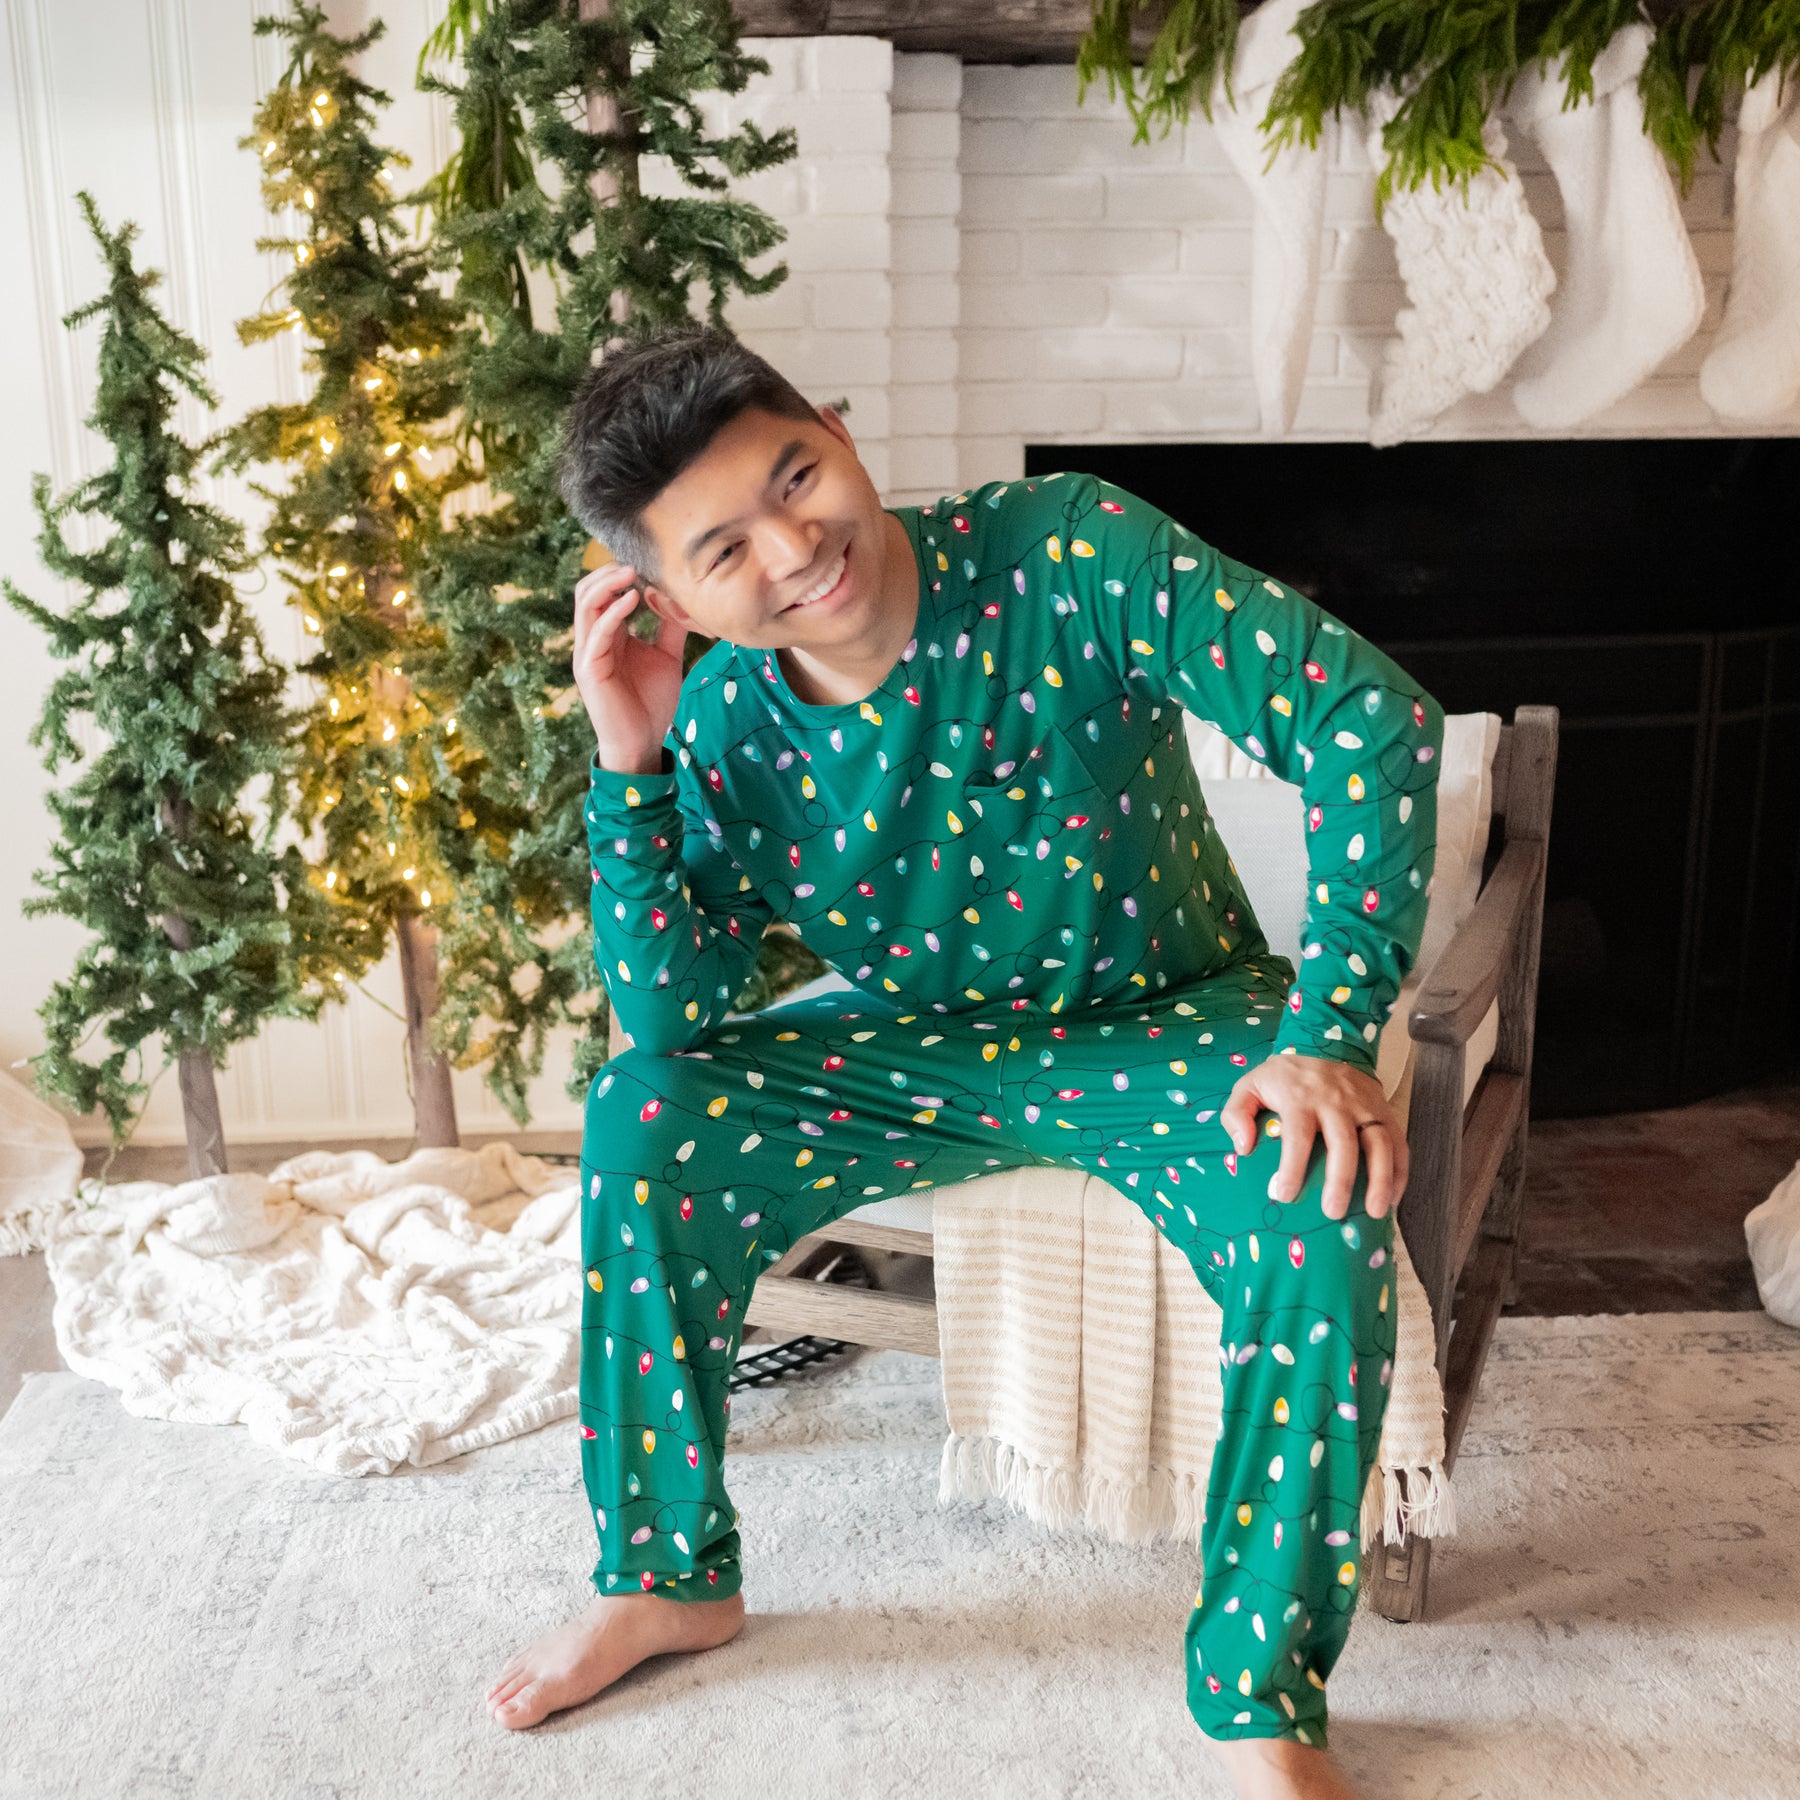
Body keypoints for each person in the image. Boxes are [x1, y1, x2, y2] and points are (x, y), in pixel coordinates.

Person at [485, 322, 1443, 1800]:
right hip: (913, 1053)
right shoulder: (724, 716)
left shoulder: (1069, 548)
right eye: (725, 549)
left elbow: (1366, 714)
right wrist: (631, 760)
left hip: (1171, 1023)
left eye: (797, 476)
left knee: (1319, 1204)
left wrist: (1326, 1033)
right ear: (665, 596)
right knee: (645, 1112)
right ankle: (668, 1573)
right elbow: (674, 1019)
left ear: (845, 430)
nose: (795, 548)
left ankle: (1261, 1696)